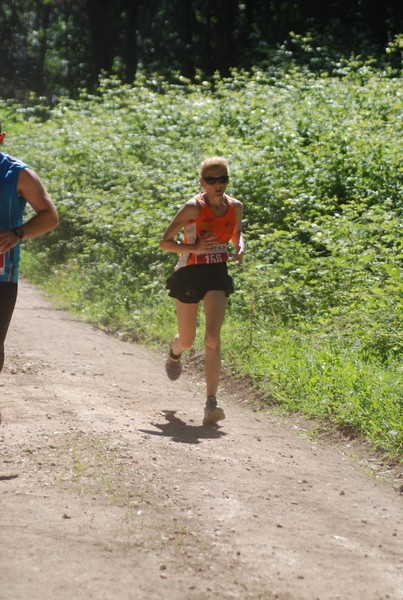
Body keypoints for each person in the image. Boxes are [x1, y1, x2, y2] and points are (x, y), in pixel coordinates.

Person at [160, 156, 245, 425]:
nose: (217, 184)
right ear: (202, 183)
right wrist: (192, 249)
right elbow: (165, 242)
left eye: (222, 179)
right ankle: (175, 353)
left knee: (212, 338)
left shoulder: (235, 207)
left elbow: (236, 233)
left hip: (216, 273)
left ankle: (211, 403)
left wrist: (240, 245)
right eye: (211, 180)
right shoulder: (192, 208)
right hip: (189, 274)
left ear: (228, 180)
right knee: (188, 339)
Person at [0, 121, 59, 402]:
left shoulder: (18, 174)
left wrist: (18, 234)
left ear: (1, 138)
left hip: (2, 276)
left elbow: (50, 216)